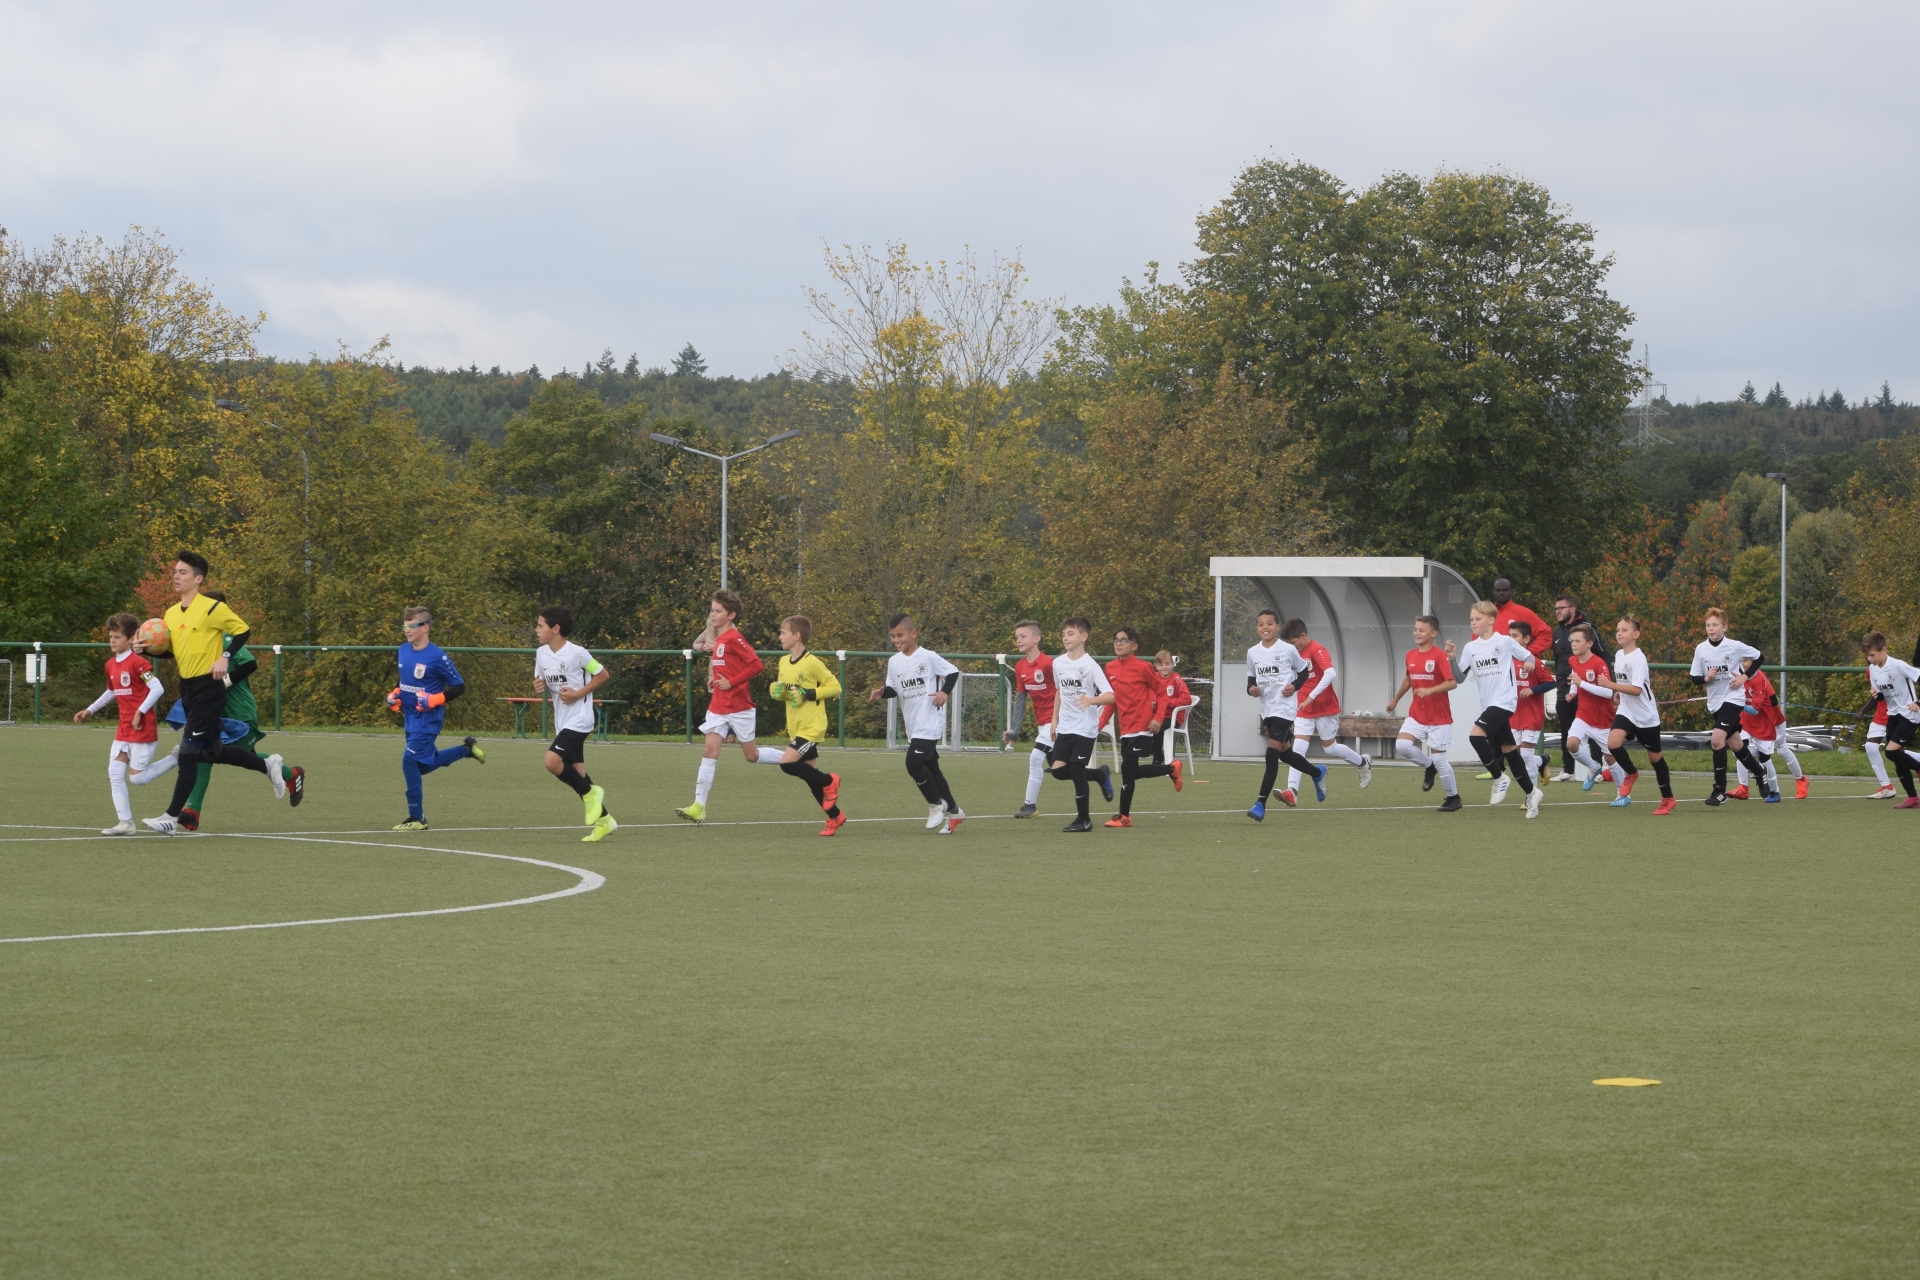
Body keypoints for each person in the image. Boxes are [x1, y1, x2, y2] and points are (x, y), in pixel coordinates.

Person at [137, 553, 303, 834]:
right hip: (188, 689)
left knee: (189, 752)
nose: (176, 576)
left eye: (183, 572)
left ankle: (171, 817)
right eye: (175, 571)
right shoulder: (171, 613)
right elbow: (175, 651)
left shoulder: (213, 607)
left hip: (208, 690)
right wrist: (148, 650)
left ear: (198, 579)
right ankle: (268, 765)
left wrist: (225, 656)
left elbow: (243, 631)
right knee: (213, 751)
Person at [168, 590, 300, 827]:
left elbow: (250, 664)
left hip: (239, 712)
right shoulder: (202, 638)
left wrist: (223, 682)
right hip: (217, 711)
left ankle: (290, 773)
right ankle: (192, 812)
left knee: (213, 755)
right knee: (211, 754)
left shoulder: (226, 638)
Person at [677, 589, 777, 823]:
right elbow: (726, 666)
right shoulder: (719, 638)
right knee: (709, 751)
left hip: (739, 707)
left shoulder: (734, 638)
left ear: (731, 615)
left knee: (752, 756)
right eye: (712, 610)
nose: (713, 615)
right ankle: (698, 806)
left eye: (718, 611)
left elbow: (756, 665)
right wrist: (715, 678)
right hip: (718, 705)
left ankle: (794, 758)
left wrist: (730, 682)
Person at [75, 613, 178, 834]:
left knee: (138, 779)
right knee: (114, 773)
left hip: (142, 728)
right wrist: (90, 710)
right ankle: (126, 823)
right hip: (123, 728)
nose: (112, 641)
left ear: (131, 639)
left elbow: (157, 688)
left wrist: (140, 712)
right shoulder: (110, 665)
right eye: (111, 637)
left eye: (118, 637)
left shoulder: (139, 663)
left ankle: (176, 758)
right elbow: (111, 692)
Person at [387, 607, 483, 831]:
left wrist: (435, 700)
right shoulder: (403, 650)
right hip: (410, 719)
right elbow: (405, 682)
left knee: (409, 761)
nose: (407, 630)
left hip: (428, 721)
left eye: (412, 626)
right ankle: (466, 750)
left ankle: (417, 818)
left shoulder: (438, 656)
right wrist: (395, 694)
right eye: (405, 626)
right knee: (422, 766)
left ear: (425, 627)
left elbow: (459, 687)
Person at [868, 614, 965, 834]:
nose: (896, 640)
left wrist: (943, 692)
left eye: (900, 635)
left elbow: (952, 672)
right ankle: (954, 812)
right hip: (913, 725)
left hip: (930, 721)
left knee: (913, 763)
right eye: (893, 636)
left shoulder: (928, 657)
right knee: (932, 770)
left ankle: (936, 805)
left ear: (913, 633)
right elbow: (894, 689)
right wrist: (882, 693)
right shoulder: (894, 662)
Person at [1445, 600, 1542, 818]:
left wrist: (1530, 663)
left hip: (1505, 701)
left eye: (1477, 618)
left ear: (1491, 620)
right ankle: (1532, 793)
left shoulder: (1505, 641)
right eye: (1471, 619)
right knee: (1510, 751)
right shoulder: (1470, 648)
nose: (1473, 622)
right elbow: (1459, 678)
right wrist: (1452, 659)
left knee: (1475, 736)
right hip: (1490, 704)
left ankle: (1499, 778)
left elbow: (1528, 656)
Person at [533, 604, 617, 841]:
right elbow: (542, 680)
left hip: (580, 718)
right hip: (563, 721)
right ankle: (605, 821)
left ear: (556, 628)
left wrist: (578, 694)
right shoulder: (541, 653)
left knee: (552, 761)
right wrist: (539, 685)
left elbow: (602, 674)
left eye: (540, 625)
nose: (537, 630)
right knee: (578, 772)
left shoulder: (577, 653)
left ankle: (592, 794)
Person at [767, 615, 848, 836]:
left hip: (812, 727)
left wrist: (809, 693)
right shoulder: (784, 662)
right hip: (796, 727)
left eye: (783, 632)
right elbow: (789, 694)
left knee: (787, 764)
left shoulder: (812, 663)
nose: (780, 637)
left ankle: (830, 780)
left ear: (796, 636)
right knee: (811, 778)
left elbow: (835, 687)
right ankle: (835, 816)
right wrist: (778, 692)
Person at [1593, 614, 1677, 815]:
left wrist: (1610, 685)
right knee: (1613, 743)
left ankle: (1668, 798)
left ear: (1636, 634)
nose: (1619, 633)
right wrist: (1619, 692)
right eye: (1618, 630)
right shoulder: (1619, 655)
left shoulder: (1638, 658)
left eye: (1624, 630)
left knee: (1655, 758)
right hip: (1627, 711)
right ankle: (1631, 773)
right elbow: (1626, 684)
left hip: (1645, 716)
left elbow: (1638, 689)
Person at [1098, 626, 1181, 828]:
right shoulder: (1110, 668)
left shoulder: (1143, 668)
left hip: (1143, 726)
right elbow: (1112, 701)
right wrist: (1098, 725)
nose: (1118, 644)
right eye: (1116, 640)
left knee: (1127, 769)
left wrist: (1158, 719)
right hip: (1125, 728)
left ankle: (1124, 816)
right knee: (1132, 772)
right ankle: (1172, 768)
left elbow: (1161, 693)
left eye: (1123, 640)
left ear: (1134, 646)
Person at [1279, 619, 1371, 794]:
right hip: (1304, 707)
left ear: (1303, 636)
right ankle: (1292, 791)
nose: (1292, 646)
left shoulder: (1317, 650)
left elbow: (1330, 673)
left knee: (1330, 749)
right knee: (1298, 748)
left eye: (1293, 642)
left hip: (1325, 707)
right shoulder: (1293, 653)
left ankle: (1362, 762)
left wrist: (1311, 697)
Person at [1245, 610, 1321, 819]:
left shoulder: (1287, 649)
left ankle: (1260, 804)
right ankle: (1317, 773)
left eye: (1269, 623)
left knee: (1271, 754)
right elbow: (1251, 680)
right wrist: (1251, 689)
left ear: (1277, 627)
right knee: (1285, 754)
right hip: (1267, 709)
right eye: (1261, 624)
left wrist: (1294, 686)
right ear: (1257, 628)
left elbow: (1304, 671)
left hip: (1285, 708)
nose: (1265, 627)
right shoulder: (1252, 653)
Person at [1689, 607, 1770, 805]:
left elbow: (1759, 657)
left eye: (1715, 625)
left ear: (1724, 627)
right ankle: (1759, 771)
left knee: (1717, 740)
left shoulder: (1734, 646)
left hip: (1733, 699)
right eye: (1708, 625)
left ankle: (1719, 791)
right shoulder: (1701, 649)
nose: (1711, 628)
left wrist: (1744, 676)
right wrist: (1706, 678)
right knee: (1736, 745)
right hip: (1715, 704)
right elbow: (1695, 678)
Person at [1384, 615, 1461, 812]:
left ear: (1433, 634)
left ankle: (1453, 798)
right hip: (1417, 714)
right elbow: (1409, 679)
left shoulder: (1439, 656)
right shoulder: (1410, 655)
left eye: (1421, 630)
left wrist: (1430, 690)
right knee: (1402, 745)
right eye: (1415, 629)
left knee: (1440, 759)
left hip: (1439, 717)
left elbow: (1452, 683)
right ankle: (1429, 766)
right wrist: (1395, 700)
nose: (1417, 633)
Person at [1047, 616, 1115, 832]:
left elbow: (1110, 696)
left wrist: (1091, 700)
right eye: (1064, 634)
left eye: (1071, 633)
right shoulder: (1058, 663)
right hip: (1065, 727)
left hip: (1085, 728)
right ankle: (1099, 775)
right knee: (1058, 771)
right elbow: (1059, 691)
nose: (1065, 638)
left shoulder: (1090, 665)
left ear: (1084, 636)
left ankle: (1084, 820)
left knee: (1076, 770)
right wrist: (1054, 719)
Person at [1549, 594, 1610, 780]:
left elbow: (1604, 657)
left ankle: (1597, 769)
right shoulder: (1557, 633)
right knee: (1567, 732)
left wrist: (1598, 683)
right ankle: (1568, 770)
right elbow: (1559, 660)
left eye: (1561, 608)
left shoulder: (1588, 630)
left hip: (1588, 691)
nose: (1557, 612)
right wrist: (1565, 686)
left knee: (1593, 731)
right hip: (1565, 690)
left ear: (1572, 609)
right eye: (1556, 609)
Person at [1561, 623, 1624, 796]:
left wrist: (1582, 684)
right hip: (1583, 714)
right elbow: (1575, 678)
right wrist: (1573, 691)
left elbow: (1607, 692)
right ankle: (1593, 767)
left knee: (1610, 757)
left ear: (1589, 644)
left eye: (1578, 641)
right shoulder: (1573, 660)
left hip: (1602, 719)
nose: (1573, 644)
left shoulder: (1598, 663)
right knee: (1571, 743)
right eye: (1572, 640)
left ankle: (1622, 792)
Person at [1732, 655, 1803, 802]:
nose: (1742, 664)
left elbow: (1770, 702)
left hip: (1769, 722)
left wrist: (1740, 703)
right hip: (1748, 721)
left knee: (1776, 752)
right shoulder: (1738, 672)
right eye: (1741, 660)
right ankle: (1743, 788)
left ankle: (1795, 782)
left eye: (1745, 660)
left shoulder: (1759, 679)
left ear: (1754, 662)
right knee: (1740, 750)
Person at [1003, 620, 1056, 818]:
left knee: (1035, 758)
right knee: (1062, 771)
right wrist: (1014, 730)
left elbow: (1065, 693)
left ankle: (1029, 806)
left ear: (1036, 639)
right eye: (1017, 637)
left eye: (1023, 636)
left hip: (1057, 723)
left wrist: (1063, 720)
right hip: (1043, 725)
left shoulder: (1049, 664)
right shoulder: (1020, 667)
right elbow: (1020, 700)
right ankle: (1100, 775)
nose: (1018, 640)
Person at [1862, 632, 1920, 808]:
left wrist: (1918, 702)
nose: (1869, 659)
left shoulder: (1898, 665)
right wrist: (1877, 695)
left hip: (1909, 714)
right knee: (1898, 757)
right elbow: (1882, 696)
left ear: (1883, 650)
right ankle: (1913, 798)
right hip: (1893, 714)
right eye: (1868, 655)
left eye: (1872, 655)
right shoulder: (1873, 670)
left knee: (1890, 752)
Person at [1506, 620, 1557, 789]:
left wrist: (1532, 690)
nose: (1510, 639)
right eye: (1509, 635)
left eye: (1515, 636)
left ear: (1526, 639)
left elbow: (1551, 682)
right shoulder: (1506, 661)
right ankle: (1542, 761)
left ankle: (1533, 795)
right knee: (1516, 757)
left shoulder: (1533, 661)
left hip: (1531, 715)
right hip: (1514, 715)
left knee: (1526, 756)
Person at [1152, 650, 1193, 765]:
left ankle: (1156, 761)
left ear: (1172, 664)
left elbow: (1187, 699)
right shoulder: (1153, 678)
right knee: (1141, 727)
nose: (1164, 667)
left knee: (1157, 727)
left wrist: (1167, 702)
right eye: (1161, 664)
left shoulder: (1176, 678)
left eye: (1167, 664)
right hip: (1156, 715)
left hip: (1172, 718)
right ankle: (1160, 755)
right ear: (1156, 666)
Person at [1862, 689, 1895, 799]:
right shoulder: (1870, 676)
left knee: (1896, 753)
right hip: (1879, 718)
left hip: (1897, 717)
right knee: (1871, 747)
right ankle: (1887, 787)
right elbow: (1876, 696)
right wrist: (1863, 711)